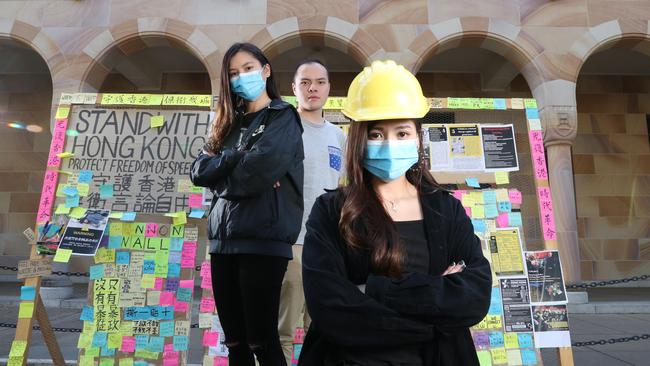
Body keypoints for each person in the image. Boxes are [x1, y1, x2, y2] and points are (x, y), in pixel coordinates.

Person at [299, 60, 492, 366]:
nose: (389, 144)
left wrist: (371, 290)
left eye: (402, 134)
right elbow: (329, 306)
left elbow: (474, 295)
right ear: (358, 139)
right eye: (376, 134)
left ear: (418, 138)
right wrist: (434, 313)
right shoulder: (331, 211)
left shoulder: (446, 209)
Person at [190, 42, 304, 366]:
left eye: (248, 68)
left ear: (266, 70)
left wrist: (222, 171)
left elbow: (257, 174)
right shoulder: (227, 123)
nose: (242, 77)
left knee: (261, 341)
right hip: (223, 242)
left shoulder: (283, 117)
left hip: (263, 242)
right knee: (235, 342)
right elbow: (198, 171)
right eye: (233, 73)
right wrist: (237, 158)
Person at [278, 59, 346, 365]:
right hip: (291, 242)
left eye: (319, 81)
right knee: (283, 329)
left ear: (329, 88)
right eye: (305, 82)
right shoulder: (283, 129)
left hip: (327, 248)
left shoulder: (339, 137)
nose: (313, 88)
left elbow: (341, 188)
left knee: (320, 327)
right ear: (294, 89)